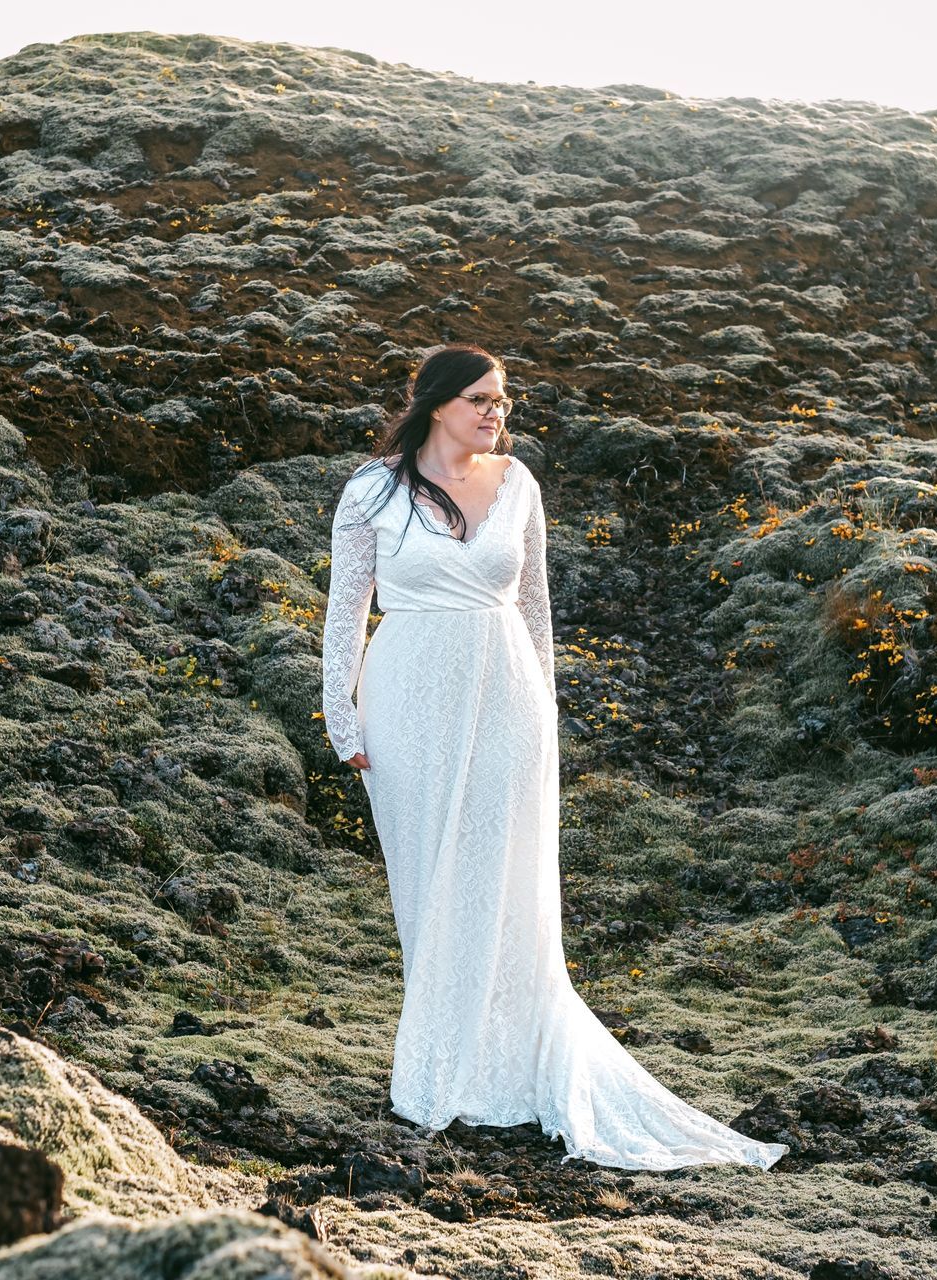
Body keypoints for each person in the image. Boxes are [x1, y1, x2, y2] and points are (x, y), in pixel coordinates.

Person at [318, 343, 789, 1171]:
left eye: (502, 400)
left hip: (507, 702)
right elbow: (344, 611)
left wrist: (546, 705)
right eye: (478, 399)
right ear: (436, 404)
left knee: (508, 882)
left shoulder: (518, 483)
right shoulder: (371, 492)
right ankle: (441, 1070)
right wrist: (340, 719)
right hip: (407, 703)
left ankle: (510, 1069)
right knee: (432, 880)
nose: (495, 413)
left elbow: (534, 607)